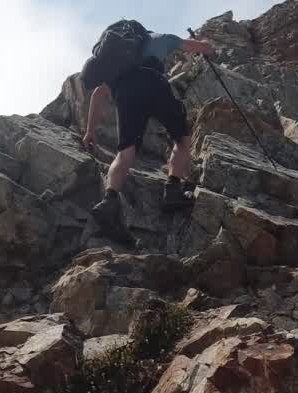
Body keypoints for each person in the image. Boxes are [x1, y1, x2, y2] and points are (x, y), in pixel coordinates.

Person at [80, 24, 215, 237]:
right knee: (182, 139)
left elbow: (98, 94)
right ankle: (172, 190)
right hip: (153, 84)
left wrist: (90, 132)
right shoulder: (161, 37)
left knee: (125, 151)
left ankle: (109, 200)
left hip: (124, 93)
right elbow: (204, 49)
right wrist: (204, 42)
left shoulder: (118, 63)